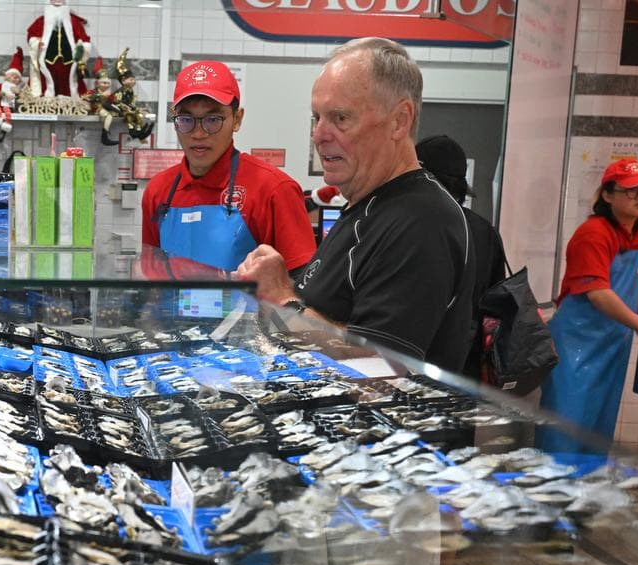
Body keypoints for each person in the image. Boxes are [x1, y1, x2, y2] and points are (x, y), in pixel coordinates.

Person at [238, 38, 474, 373]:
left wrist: (281, 297)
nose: (319, 134)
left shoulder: (422, 223)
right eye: (316, 117)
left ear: (399, 121)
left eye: (340, 118)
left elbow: (380, 372)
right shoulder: (365, 205)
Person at [540, 157, 638, 453]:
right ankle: (552, 495)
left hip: (612, 347)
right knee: (565, 426)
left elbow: (631, 294)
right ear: (607, 195)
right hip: (575, 345)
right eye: (630, 190)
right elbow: (598, 293)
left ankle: (586, 494)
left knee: (598, 429)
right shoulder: (594, 233)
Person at [140, 60, 317, 275]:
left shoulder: (274, 189)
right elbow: (152, 279)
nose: (198, 133)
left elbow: (302, 284)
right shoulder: (158, 191)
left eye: (213, 119)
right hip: (170, 310)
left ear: (237, 119)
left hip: (251, 310)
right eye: (186, 119)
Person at [415, 134, 509, 379]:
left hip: (413, 359)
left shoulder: (412, 227)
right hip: (465, 366)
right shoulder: (484, 231)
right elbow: (494, 302)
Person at [26, 0, 91, 98]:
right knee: (47, 82)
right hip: (48, 60)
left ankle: (69, 102)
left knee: (68, 83)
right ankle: (47, 102)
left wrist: (82, 47)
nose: (57, 1)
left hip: (69, 61)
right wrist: (36, 42)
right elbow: (31, 36)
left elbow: (84, 39)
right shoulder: (41, 21)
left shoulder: (74, 22)